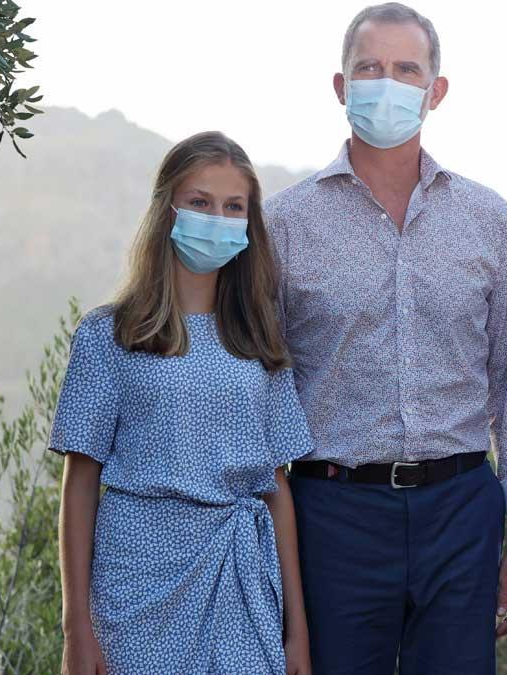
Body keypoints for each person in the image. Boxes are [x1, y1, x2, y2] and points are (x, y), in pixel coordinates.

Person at [262, 4, 507, 674]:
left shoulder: (486, 217)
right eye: (370, 68)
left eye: (406, 69)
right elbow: (263, 390)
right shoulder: (285, 223)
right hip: (333, 511)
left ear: (436, 91)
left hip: (460, 507)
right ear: (340, 86)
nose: (387, 83)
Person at [53, 131, 313, 674]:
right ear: (167, 210)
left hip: (242, 588)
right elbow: (80, 482)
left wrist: (298, 633)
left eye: (233, 206)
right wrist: (77, 628)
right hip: (134, 589)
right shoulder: (109, 336)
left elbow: (277, 487)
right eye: (200, 202)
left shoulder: (262, 341)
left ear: (249, 223)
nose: (217, 218)